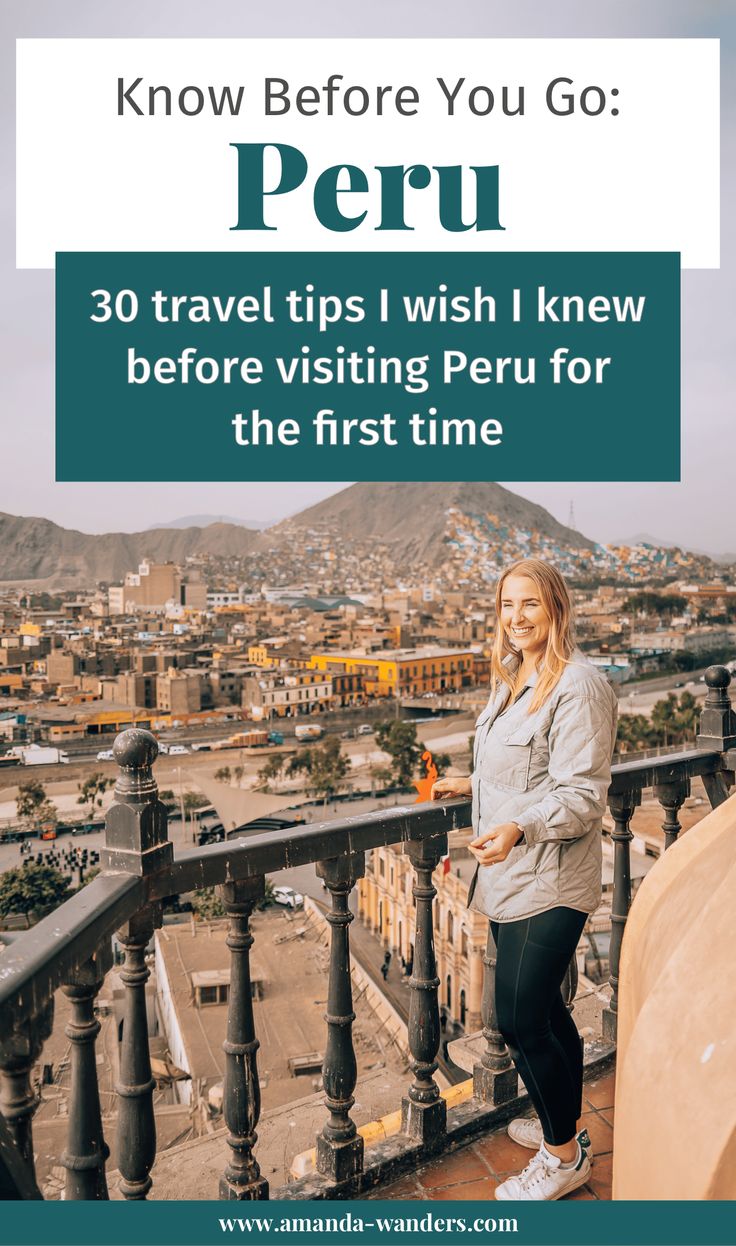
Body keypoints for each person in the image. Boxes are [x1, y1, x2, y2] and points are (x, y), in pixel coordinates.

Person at [432, 558, 617, 1202]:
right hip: (516, 876)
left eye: (530, 605)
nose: (516, 619)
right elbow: (526, 769)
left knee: (516, 1019)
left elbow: (581, 794)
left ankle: (562, 1157)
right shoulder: (515, 681)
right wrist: (474, 783)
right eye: (507, 605)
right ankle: (563, 1126)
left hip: (554, 875)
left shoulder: (578, 684)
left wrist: (517, 828)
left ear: (556, 609)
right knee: (539, 1012)